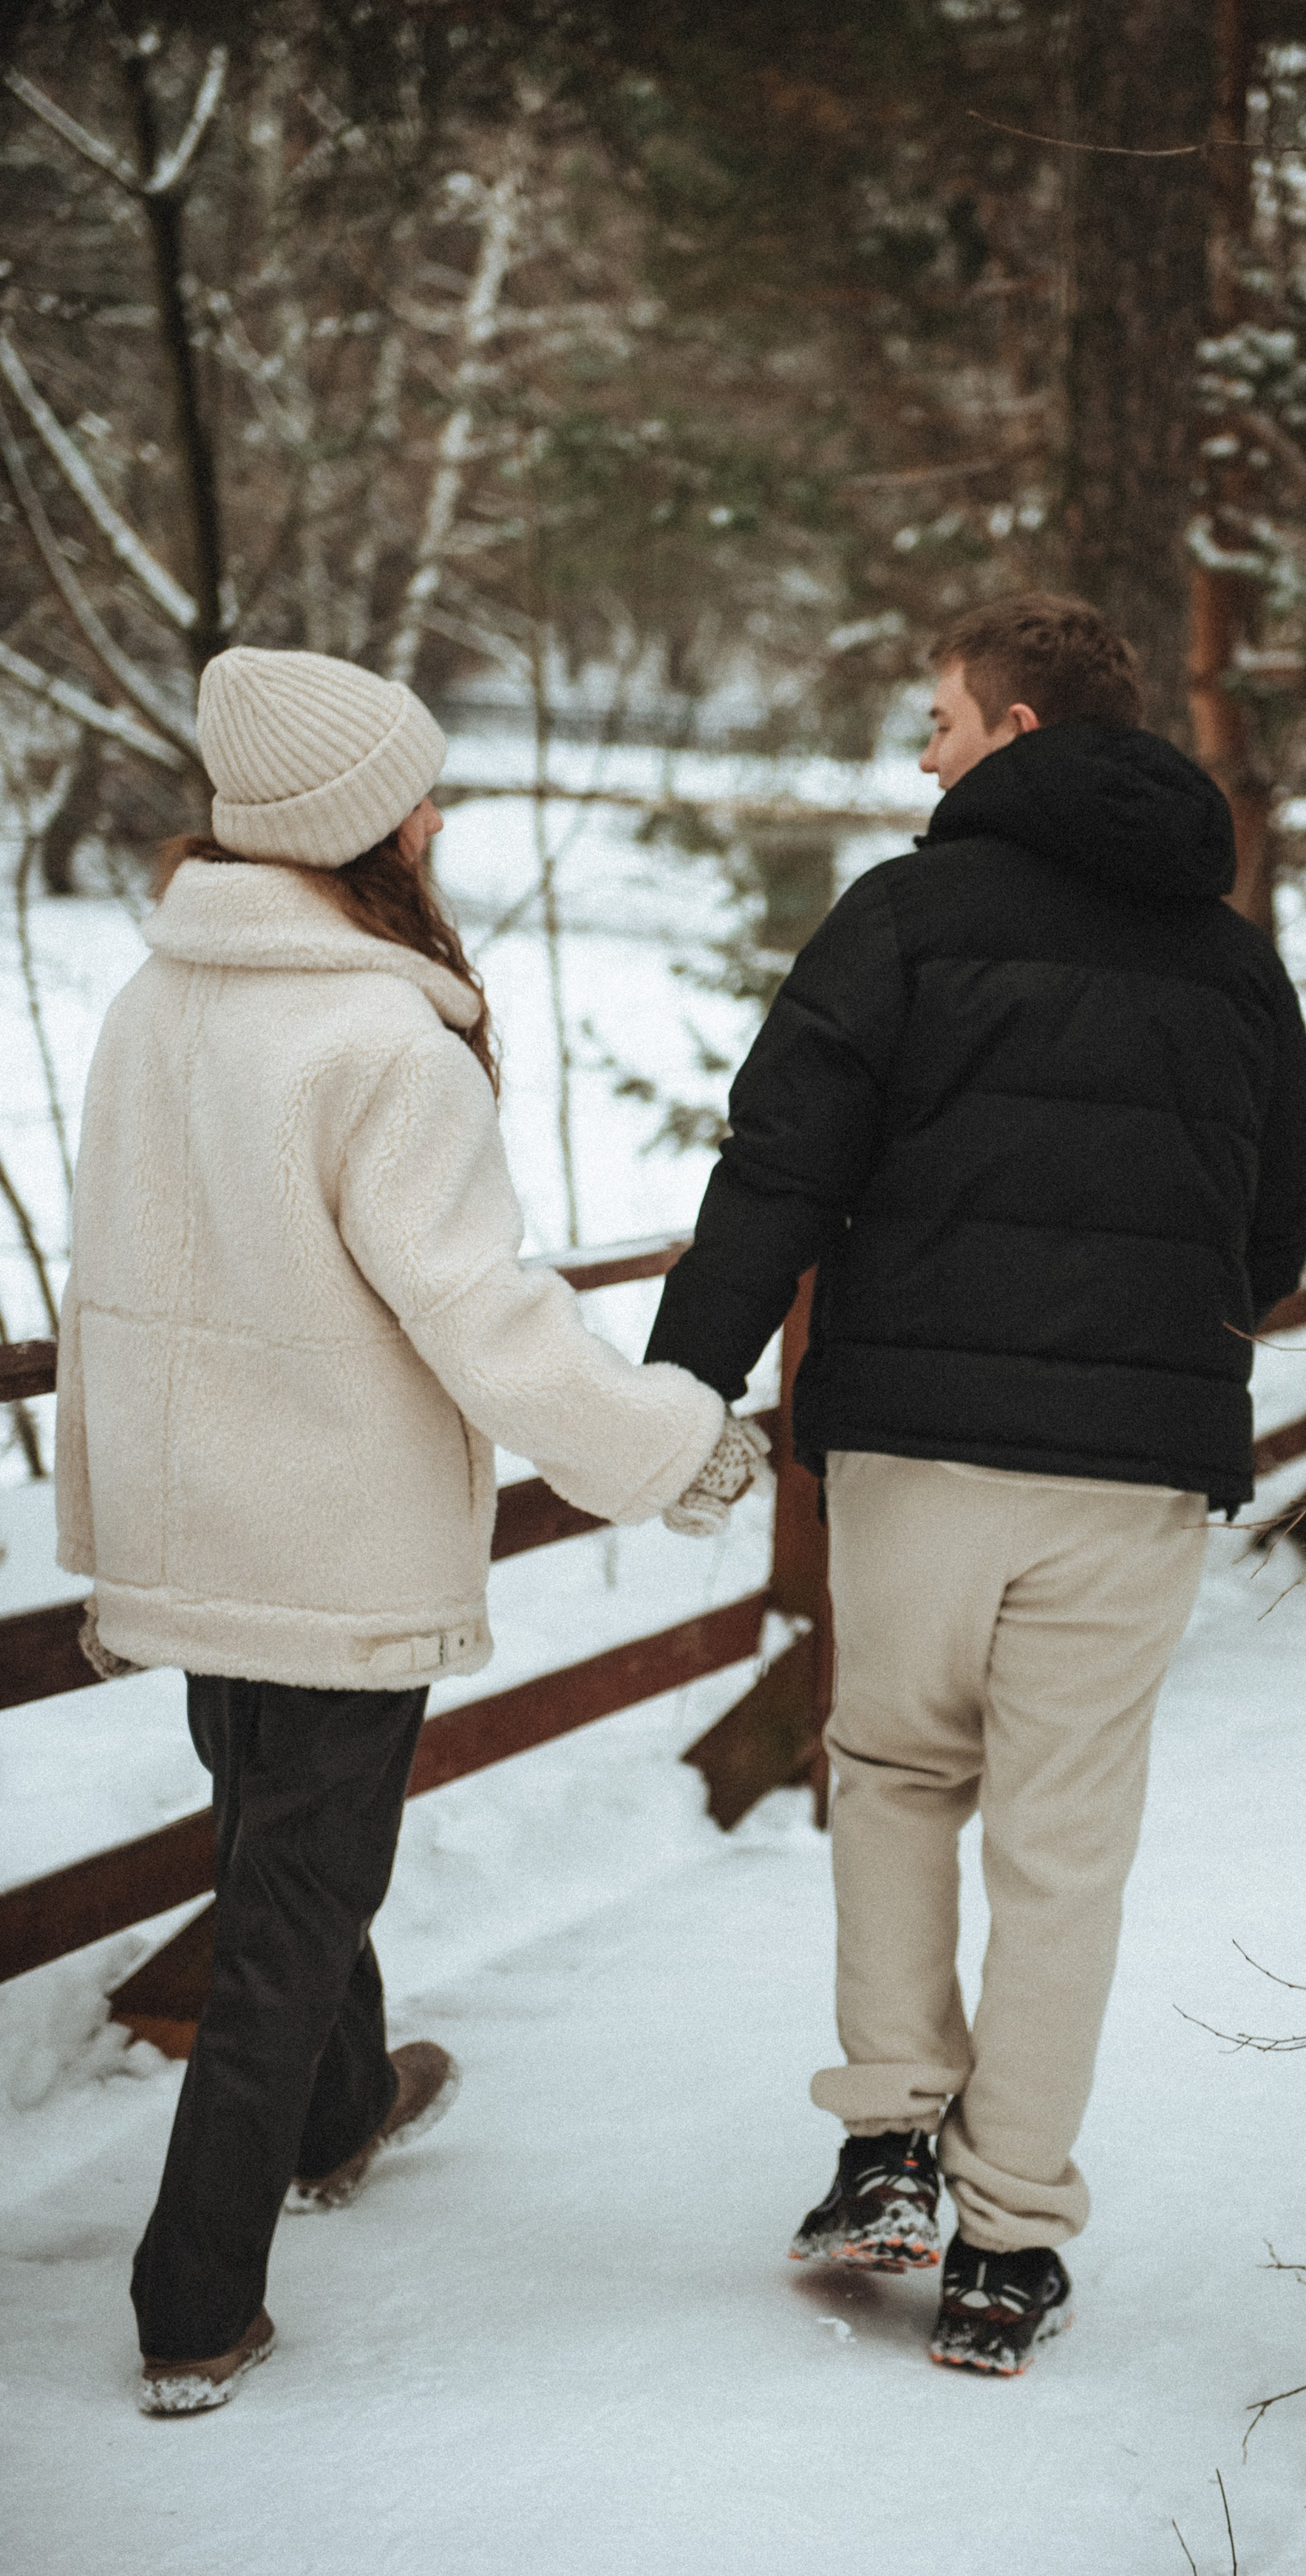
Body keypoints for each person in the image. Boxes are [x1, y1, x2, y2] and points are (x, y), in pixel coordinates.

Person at [56, 646, 762, 2418]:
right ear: (351, 830)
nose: (436, 815)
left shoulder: (162, 997)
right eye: (412, 794)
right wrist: (671, 1447)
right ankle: (193, 2299)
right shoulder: (378, 1036)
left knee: (279, 1845)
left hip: (193, 1517)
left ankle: (342, 2108)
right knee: (298, 1894)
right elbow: (489, 1319)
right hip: (328, 1531)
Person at [645, 592, 1306, 2373]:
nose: (916, 747)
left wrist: (677, 1380)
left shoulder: (905, 916)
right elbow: (1271, 1239)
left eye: (936, 714)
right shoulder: (1231, 956)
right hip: (1134, 1478)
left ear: (1015, 729)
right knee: (1063, 1850)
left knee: (892, 1776)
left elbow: (780, 1161)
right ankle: (1006, 2238)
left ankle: (885, 2143)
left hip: (921, 1450)